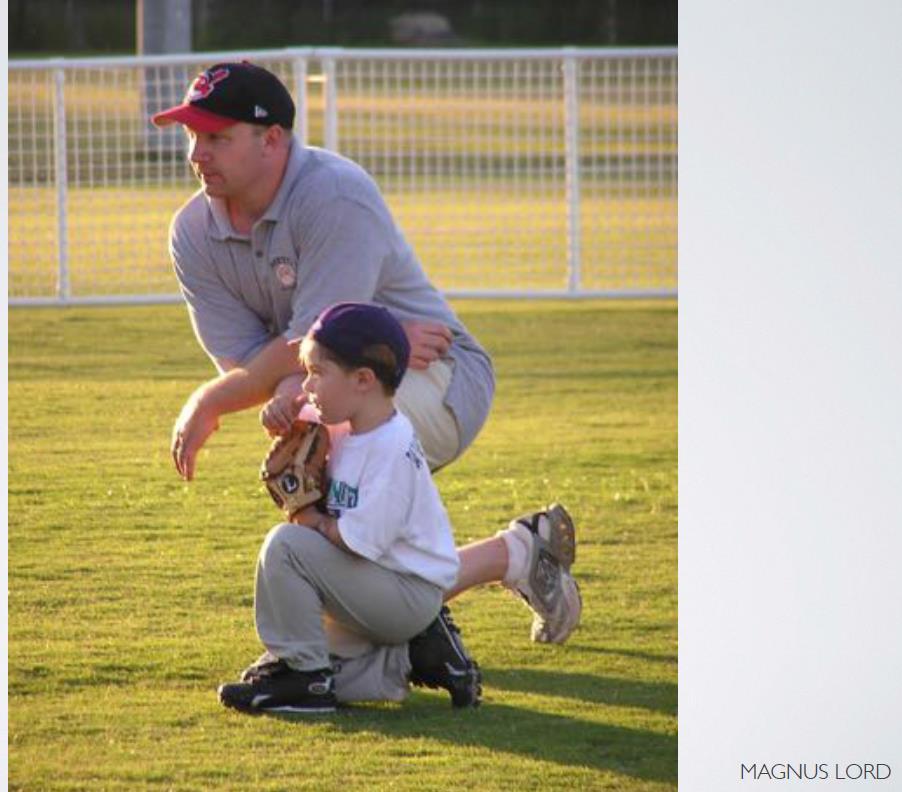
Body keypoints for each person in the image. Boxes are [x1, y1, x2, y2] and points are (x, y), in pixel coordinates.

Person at [152, 61, 581, 646]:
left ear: (272, 139)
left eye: (218, 137)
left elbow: (314, 344)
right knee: (345, 565)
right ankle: (515, 555)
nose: (199, 153)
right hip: (340, 384)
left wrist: (213, 401)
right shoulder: (191, 231)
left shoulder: (333, 194)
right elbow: (252, 360)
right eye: (194, 136)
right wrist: (274, 386)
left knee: (342, 526)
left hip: (441, 376)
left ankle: (435, 618)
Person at [218, 303, 481, 713]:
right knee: (316, 656)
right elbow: (293, 415)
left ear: (363, 380)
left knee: (286, 545)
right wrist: (279, 412)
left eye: (318, 373)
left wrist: (309, 517)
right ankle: (412, 658)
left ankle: (305, 682)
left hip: (406, 592)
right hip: (383, 585)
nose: (307, 387)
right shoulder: (349, 420)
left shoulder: (391, 448)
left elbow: (359, 542)